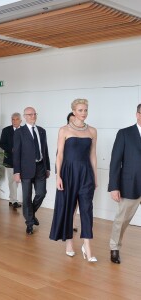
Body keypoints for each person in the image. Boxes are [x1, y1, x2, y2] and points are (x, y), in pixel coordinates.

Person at [49, 99, 98, 262]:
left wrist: (95, 178)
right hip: (68, 173)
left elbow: (93, 155)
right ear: (74, 111)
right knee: (69, 208)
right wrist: (58, 177)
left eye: (85, 110)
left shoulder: (92, 131)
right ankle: (69, 243)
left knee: (86, 209)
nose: (83, 113)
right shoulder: (64, 130)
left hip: (86, 174)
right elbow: (60, 155)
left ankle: (87, 246)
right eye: (80, 110)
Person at [108, 103, 141, 264]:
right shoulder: (125, 134)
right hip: (130, 185)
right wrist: (114, 186)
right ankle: (114, 248)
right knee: (122, 220)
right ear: (137, 114)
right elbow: (115, 162)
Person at [13, 107, 50, 235]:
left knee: (41, 193)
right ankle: (29, 223)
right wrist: (16, 172)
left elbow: (45, 151)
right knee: (27, 197)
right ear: (25, 116)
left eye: (34, 114)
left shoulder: (41, 131)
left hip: (40, 167)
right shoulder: (19, 132)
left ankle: (31, 214)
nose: (33, 116)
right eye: (30, 114)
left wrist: (47, 167)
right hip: (25, 169)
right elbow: (16, 153)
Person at [0, 112, 22, 209]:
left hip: (21, 161)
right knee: (12, 181)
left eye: (17, 119)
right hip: (10, 160)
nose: (15, 121)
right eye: (13, 119)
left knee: (16, 181)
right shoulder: (6, 130)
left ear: (20, 121)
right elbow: (1, 144)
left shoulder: (24, 130)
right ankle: (14, 201)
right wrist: (11, 149)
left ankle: (11, 199)